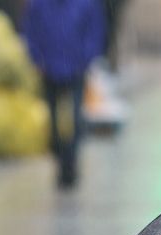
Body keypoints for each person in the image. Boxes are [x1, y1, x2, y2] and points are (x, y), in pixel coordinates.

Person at [22, 0, 107, 189]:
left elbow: (94, 30)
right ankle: (60, 161)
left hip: (75, 70)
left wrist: (86, 59)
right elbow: (30, 31)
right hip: (49, 70)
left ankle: (71, 163)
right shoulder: (39, 5)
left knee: (75, 119)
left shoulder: (85, 4)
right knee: (53, 122)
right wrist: (37, 59)